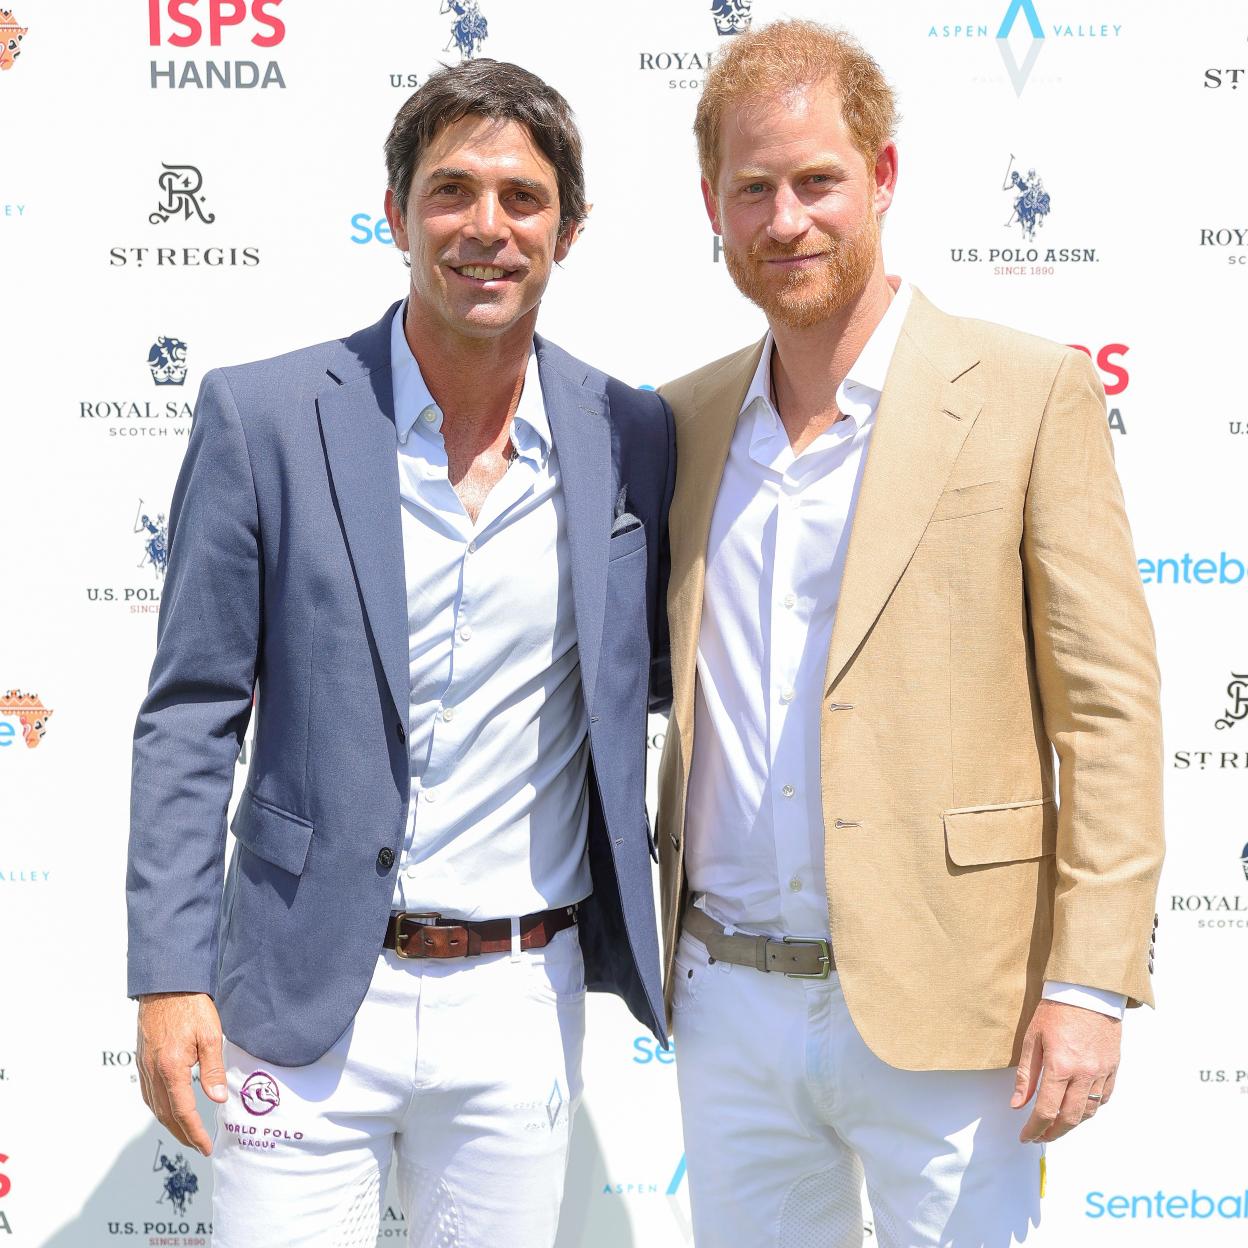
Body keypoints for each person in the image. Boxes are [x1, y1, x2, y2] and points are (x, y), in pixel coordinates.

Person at [126, 58, 673, 1247]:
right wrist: (170, 975)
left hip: (522, 996)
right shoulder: (265, 418)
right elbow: (190, 714)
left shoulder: (628, 433)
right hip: (303, 983)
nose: (487, 226)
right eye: (451, 190)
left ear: (569, 230)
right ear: (395, 212)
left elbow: (659, 677)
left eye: (523, 198)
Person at [655, 20, 1163, 1247]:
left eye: (817, 180)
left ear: (882, 177)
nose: (786, 220)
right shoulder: (682, 421)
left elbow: (1107, 714)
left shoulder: (1027, 391)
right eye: (752, 189)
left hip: (953, 1003)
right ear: (712, 206)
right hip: (727, 1006)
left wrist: (1088, 984)